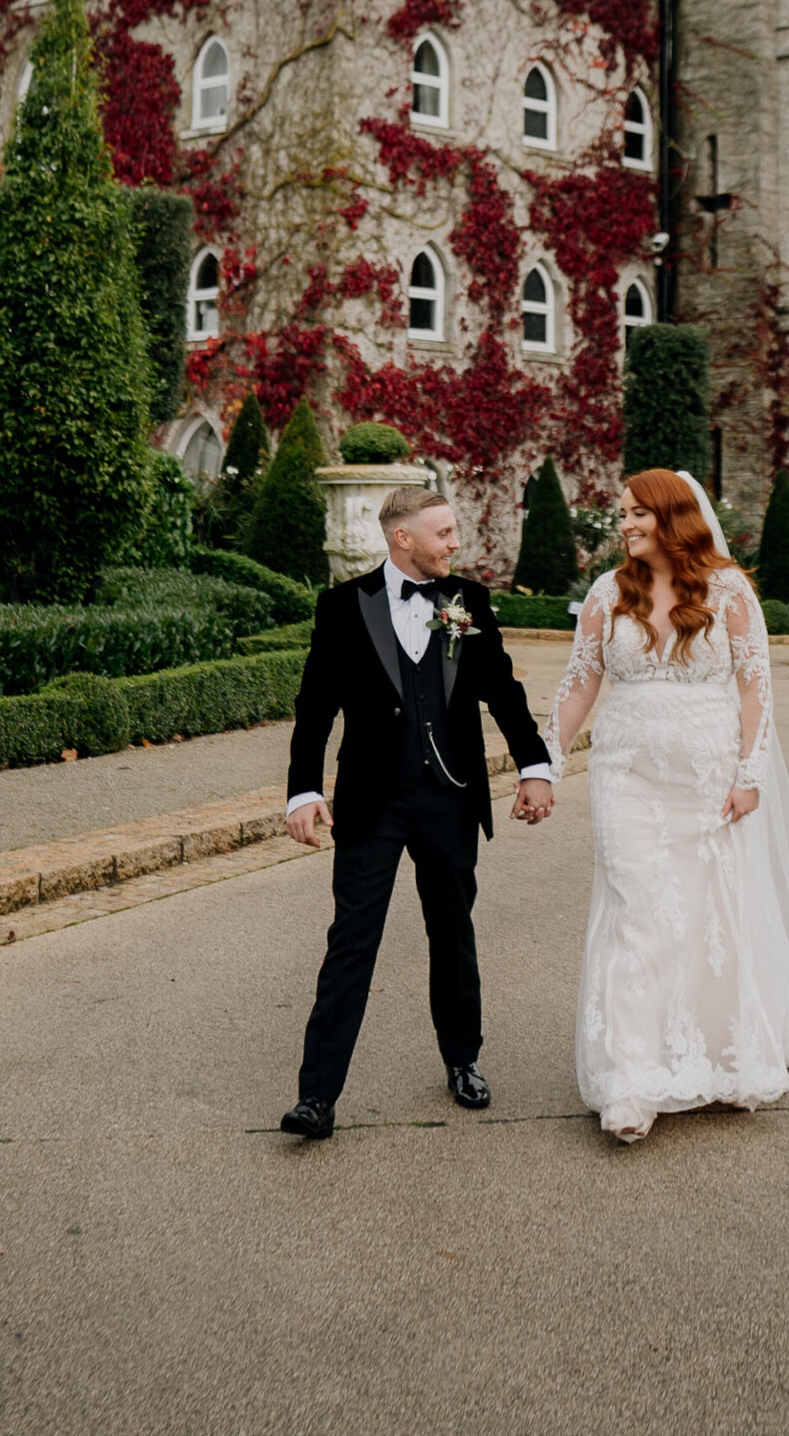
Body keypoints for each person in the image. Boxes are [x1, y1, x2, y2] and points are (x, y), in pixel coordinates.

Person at [546, 466, 789, 1142]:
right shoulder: (608, 592)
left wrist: (749, 772)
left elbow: (755, 689)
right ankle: (629, 1080)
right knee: (636, 915)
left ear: (674, 518)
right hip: (624, 777)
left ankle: (716, 1059)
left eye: (638, 514)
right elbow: (578, 684)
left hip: (706, 779)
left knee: (703, 917)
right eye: (622, 513)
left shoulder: (726, 591)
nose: (625, 524)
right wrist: (543, 763)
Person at [279, 484, 556, 1140]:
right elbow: (315, 704)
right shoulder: (344, 607)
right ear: (402, 538)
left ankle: (463, 1060)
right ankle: (315, 1097)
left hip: (449, 796)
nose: (454, 543)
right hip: (371, 802)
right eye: (443, 534)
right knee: (351, 943)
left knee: (451, 933)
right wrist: (301, 790)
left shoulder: (462, 603)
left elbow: (501, 691)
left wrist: (535, 767)